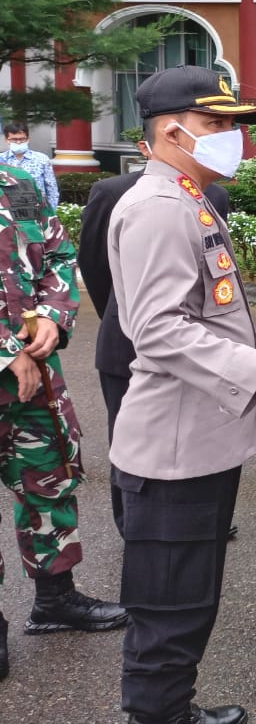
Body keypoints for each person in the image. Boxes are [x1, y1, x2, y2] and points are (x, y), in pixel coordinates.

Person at [108, 66, 256, 724]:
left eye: (233, 126)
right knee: (169, 603)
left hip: (199, 443)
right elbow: (156, 327)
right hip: (172, 451)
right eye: (217, 126)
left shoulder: (190, 196)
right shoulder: (158, 207)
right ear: (169, 131)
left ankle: (170, 711)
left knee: (189, 598)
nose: (233, 138)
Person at [0, 160, 126, 684]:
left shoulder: (15, 183)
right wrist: (5, 351)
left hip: (34, 381)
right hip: (15, 364)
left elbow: (57, 252)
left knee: (48, 481)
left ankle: (54, 600)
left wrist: (53, 316)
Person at [79, 138, 231, 536]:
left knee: (194, 431)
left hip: (196, 343)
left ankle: (193, 514)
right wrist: (119, 312)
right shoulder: (114, 192)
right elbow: (94, 262)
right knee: (131, 439)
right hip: (126, 344)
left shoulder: (213, 194)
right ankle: (131, 522)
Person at [0, 122, 59, 209]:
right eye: (14, 139)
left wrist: (51, 211)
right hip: (9, 212)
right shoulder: (1, 160)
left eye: (22, 139)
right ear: (7, 140)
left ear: (28, 139)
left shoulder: (42, 159)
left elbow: (52, 188)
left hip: (37, 210)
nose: (18, 142)